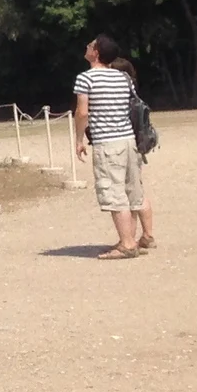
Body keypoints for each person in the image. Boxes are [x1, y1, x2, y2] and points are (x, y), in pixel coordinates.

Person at [73, 37, 145, 259]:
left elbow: (82, 112)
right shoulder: (124, 78)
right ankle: (131, 238)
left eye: (90, 45)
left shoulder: (85, 79)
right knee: (130, 190)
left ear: (96, 53)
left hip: (107, 142)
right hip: (128, 140)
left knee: (114, 193)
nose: (86, 47)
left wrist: (78, 139)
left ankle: (127, 244)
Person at [108, 49, 157, 251]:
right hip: (137, 146)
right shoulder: (133, 93)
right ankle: (147, 235)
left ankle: (134, 237)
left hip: (128, 146)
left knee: (131, 195)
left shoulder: (121, 98)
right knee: (136, 191)